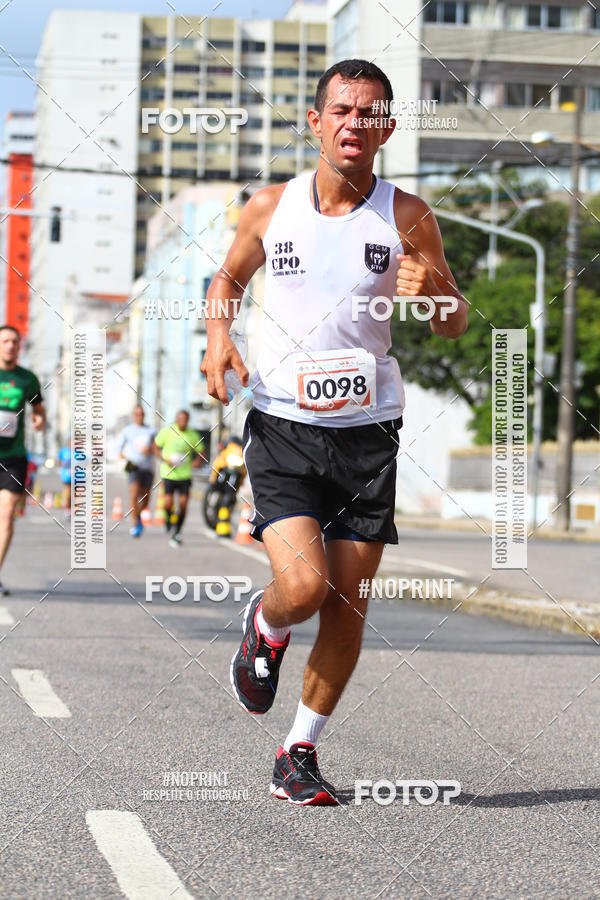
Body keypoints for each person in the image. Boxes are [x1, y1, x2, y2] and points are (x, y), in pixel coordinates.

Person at [201, 59, 468, 805]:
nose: (355, 123)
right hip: (284, 422)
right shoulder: (270, 206)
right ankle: (266, 622)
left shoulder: (407, 214)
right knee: (305, 587)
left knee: (348, 602)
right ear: (316, 123)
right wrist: (218, 338)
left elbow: (452, 322)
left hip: (369, 431)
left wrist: (436, 290)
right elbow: (228, 279)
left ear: (388, 128)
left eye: (370, 113)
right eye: (342, 110)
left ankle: (299, 751)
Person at [0, 325, 46, 594]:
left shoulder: (27, 379)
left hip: (13, 458)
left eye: (15, 341)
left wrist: (40, 419)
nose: (10, 345)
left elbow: (38, 408)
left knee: (6, 515)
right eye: (5, 341)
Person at [153, 410, 205, 548]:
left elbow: (201, 451)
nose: (182, 421)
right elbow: (156, 447)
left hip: (185, 475)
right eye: (180, 418)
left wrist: (197, 462)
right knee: (168, 503)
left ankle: (177, 530)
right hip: (169, 474)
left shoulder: (192, 435)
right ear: (176, 419)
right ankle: (168, 519)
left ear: (188, 420)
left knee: (183, 504)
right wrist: (164, 460)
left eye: (185, 419)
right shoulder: (167, 432)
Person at [117, 405, 157, 538]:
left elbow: (157, 447)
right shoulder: (127, 430)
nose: (140, 416)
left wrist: (150, 449)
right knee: (134, 495)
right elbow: (119, 448)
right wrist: (123, 455)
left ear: (144, 415)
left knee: (145, 498)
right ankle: (135, 524)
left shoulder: (152, 431)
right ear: (133, 416)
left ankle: (138, 515)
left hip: (148, 467)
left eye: (142, 414)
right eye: (137, 414)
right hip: (133, 466)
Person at [57, 440, 71, 518]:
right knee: (68, 492)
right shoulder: (63, 451)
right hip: (66, 475)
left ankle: (71, 509)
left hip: (77, 475)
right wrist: (64, 464)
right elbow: (59, 461)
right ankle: (67, 510)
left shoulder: (78, 451)